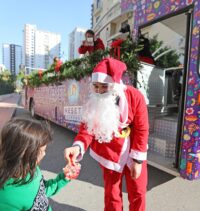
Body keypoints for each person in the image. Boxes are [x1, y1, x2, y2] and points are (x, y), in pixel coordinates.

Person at [64, 58, 149, 211]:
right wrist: (78, 146)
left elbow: (142, 129)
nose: (98, 91)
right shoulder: (94, 100)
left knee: (138, 192)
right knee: (112, 194)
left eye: (103, 87)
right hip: (109, 151)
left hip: (133, 150)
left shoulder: (135, 96)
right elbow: (87, 128)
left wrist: (137, 161)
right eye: (95, 86)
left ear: (114, 85)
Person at [0, 117, 81, 211]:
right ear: (25, 154)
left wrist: (64, 178)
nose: (44, 154)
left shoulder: (31, 169)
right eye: (41, 151)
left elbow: (41, 192)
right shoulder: (6, 198)